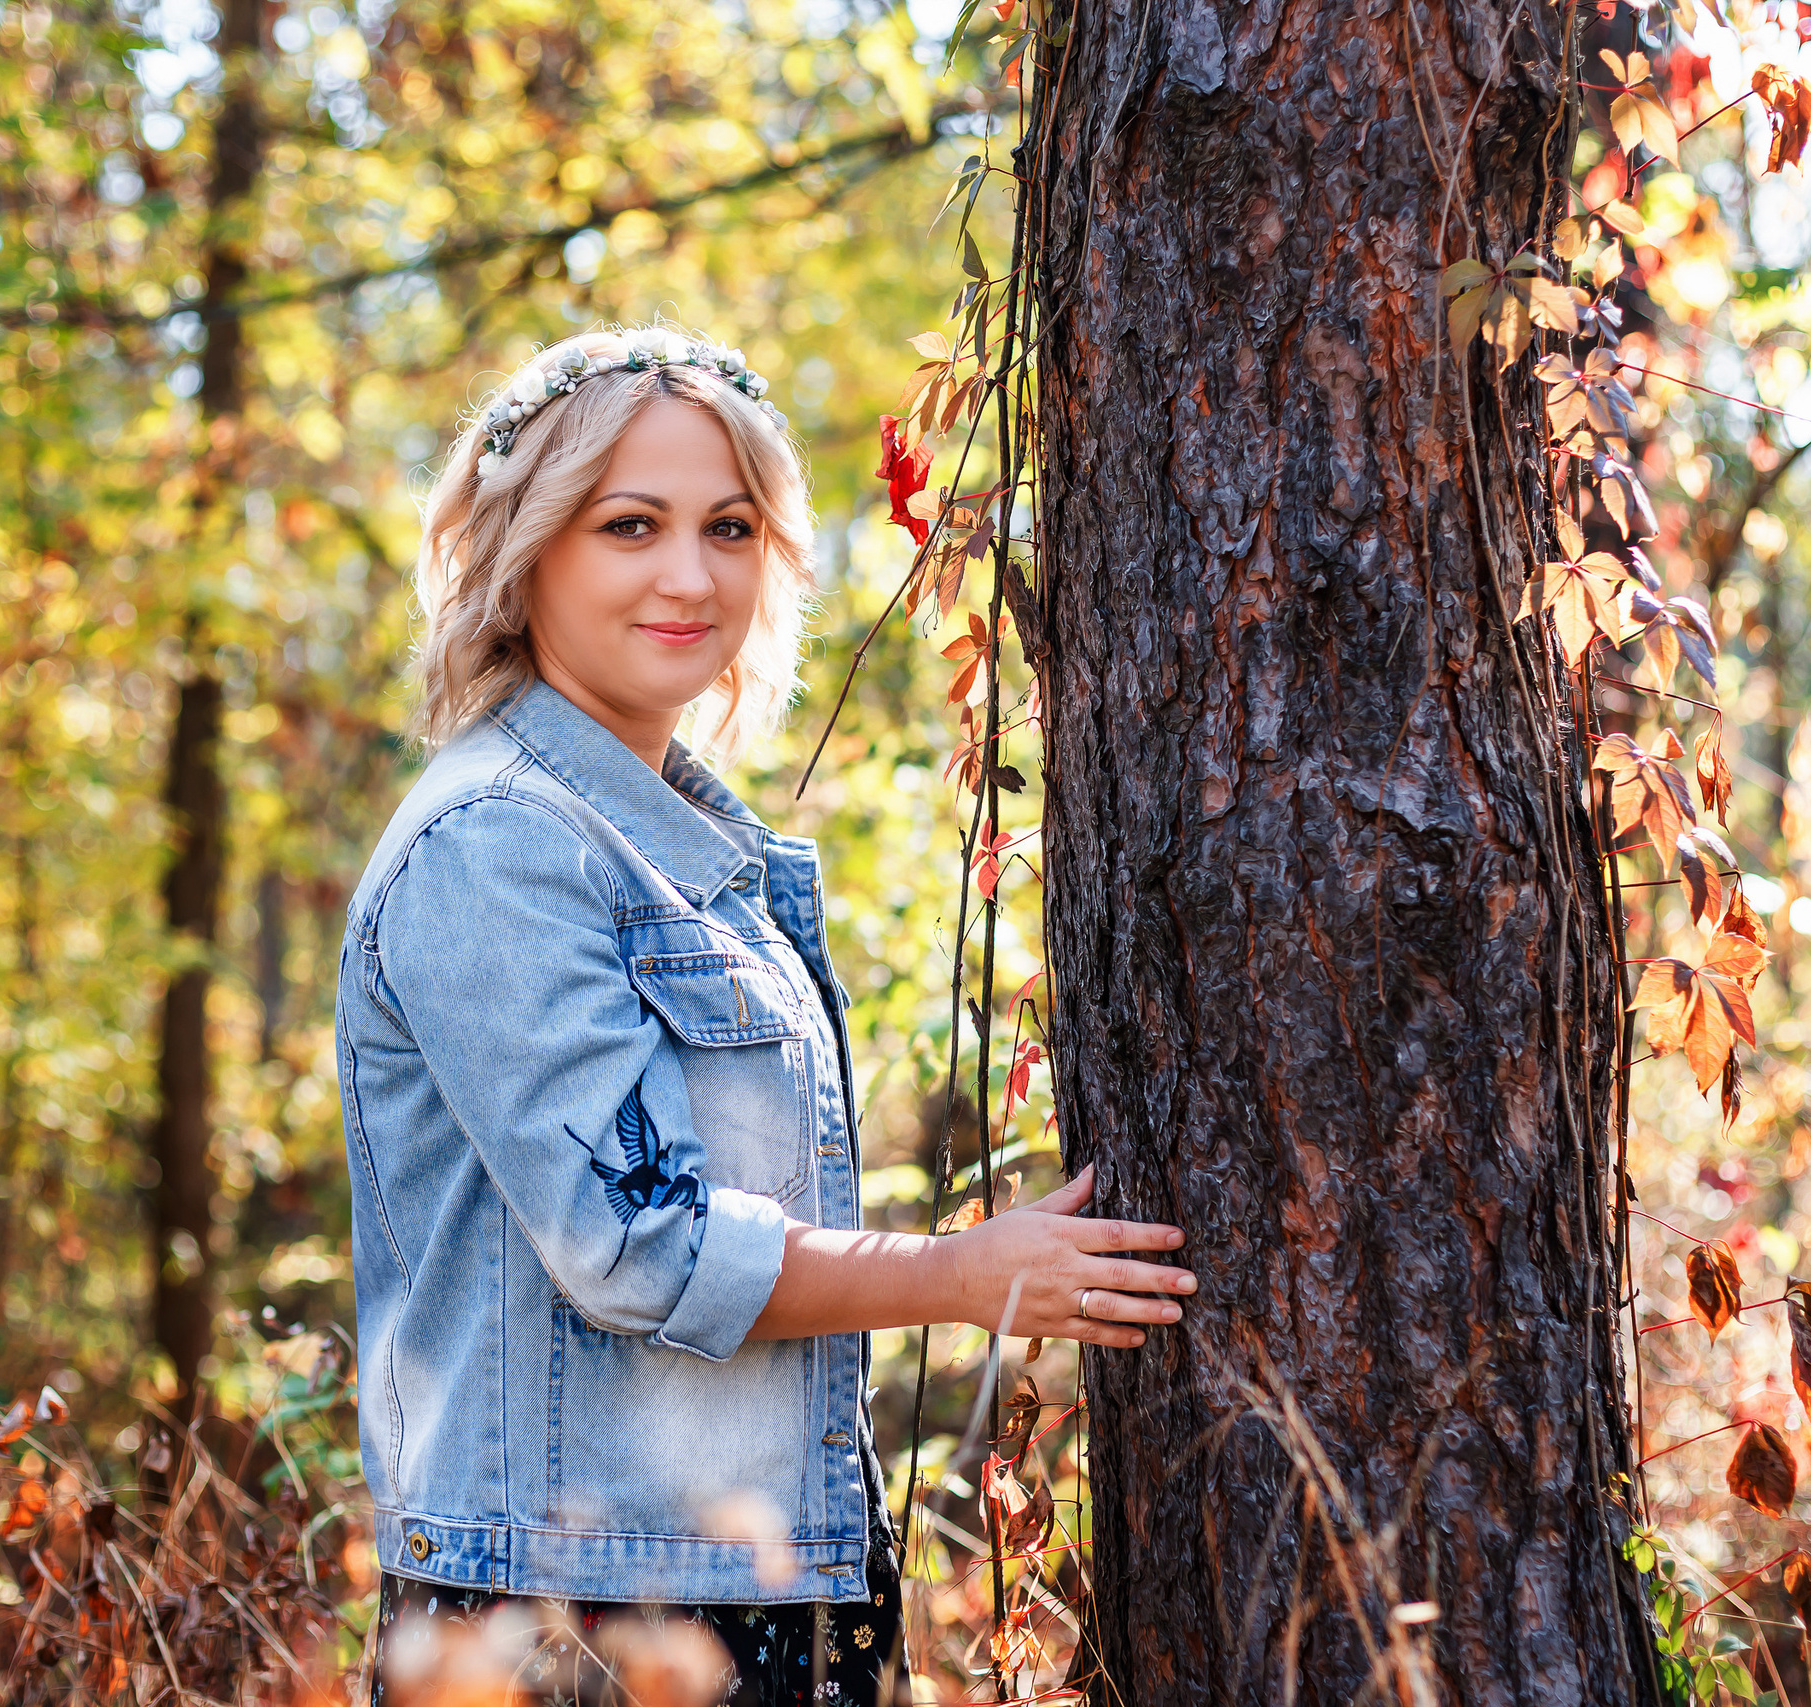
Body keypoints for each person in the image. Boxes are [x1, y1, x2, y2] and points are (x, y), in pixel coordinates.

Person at [339, 325, 1198, 1705]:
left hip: (758, 1587)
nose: (692, 577)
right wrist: (961, 1276)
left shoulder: (681, 846)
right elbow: (640, 1249)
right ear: (528, 548)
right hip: (574, 1622)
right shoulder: (495, 844)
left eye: (728, 528)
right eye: (631, 526)